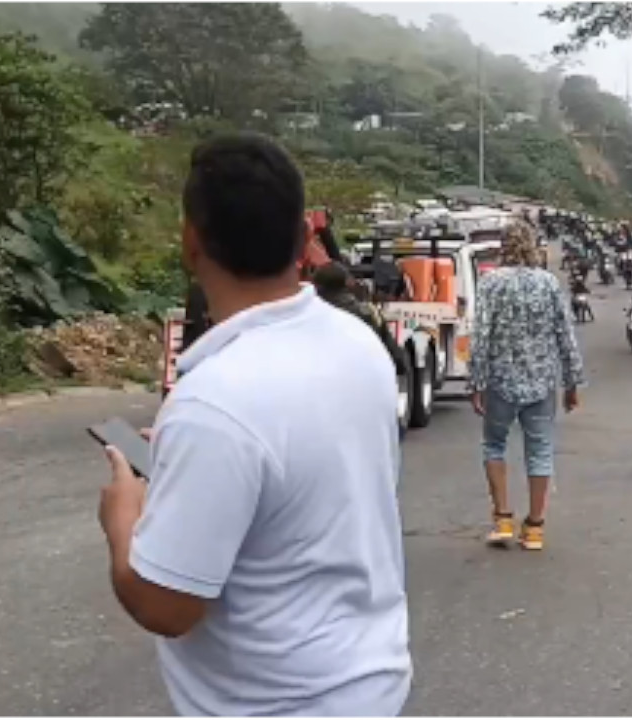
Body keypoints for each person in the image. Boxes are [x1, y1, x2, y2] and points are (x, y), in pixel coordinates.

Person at [96, 133, 410, 715]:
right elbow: (300, 472)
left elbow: (168, 607)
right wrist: (192, 467)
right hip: (368, 681)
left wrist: (123, 518)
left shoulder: (214, 403)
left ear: (191, 243)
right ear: (302, 239)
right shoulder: (355, 341)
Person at [468, 222, 584, 552]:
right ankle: (534, 527)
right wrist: (572, 382)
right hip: (542, 382)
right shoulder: (548, 283)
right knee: (540, 451)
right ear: (533, 246)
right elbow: (565, 335)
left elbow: (481, 336)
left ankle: (503, 518)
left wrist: (475, 382)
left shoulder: (490, 284)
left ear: (502, 247)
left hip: (500, 380)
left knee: (494, 445)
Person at [313, 261, 407, 376]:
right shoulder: (367, 312)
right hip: (360, 376)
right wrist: (400, 366)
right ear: (348, 283)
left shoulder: (308, 315)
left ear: (316, 285)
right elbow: (388, 346)